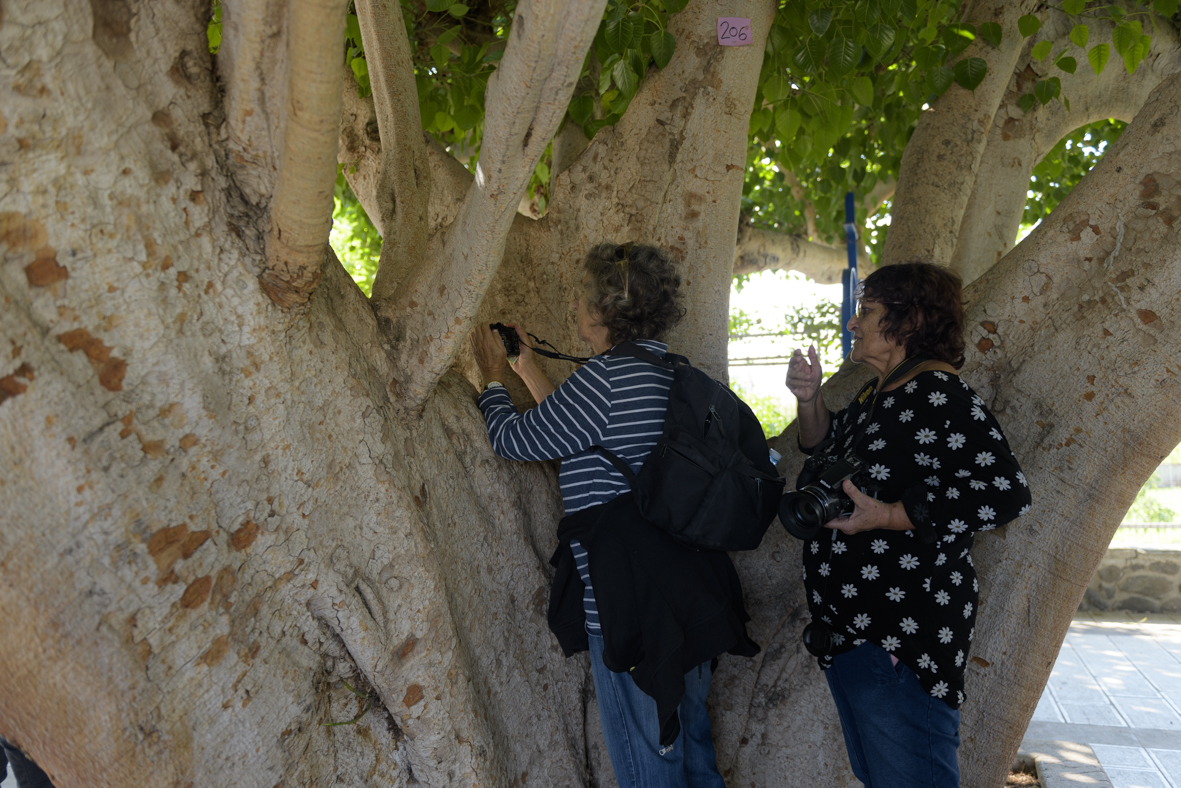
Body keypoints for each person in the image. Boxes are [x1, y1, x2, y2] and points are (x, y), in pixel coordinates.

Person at [471, 242, 758, 788]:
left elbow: (513, 440)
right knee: (695, 756)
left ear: (605, 309)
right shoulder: (674, 371)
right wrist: (527, 368)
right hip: (691, 595)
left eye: (582, 297)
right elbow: (580, 436)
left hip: (631, 606)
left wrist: (490, 380)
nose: (575, 305)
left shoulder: (602, 381)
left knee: (649, 770)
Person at [785, 262, 1032, 788]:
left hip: (901, 644)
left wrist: (893, 516)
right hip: (858, 640)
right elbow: (822, 447)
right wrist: (809, 400)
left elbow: (1005, 492)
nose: (853, 324)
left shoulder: (937, 395)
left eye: (866, 311)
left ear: (910, 319)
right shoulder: (879, 394)